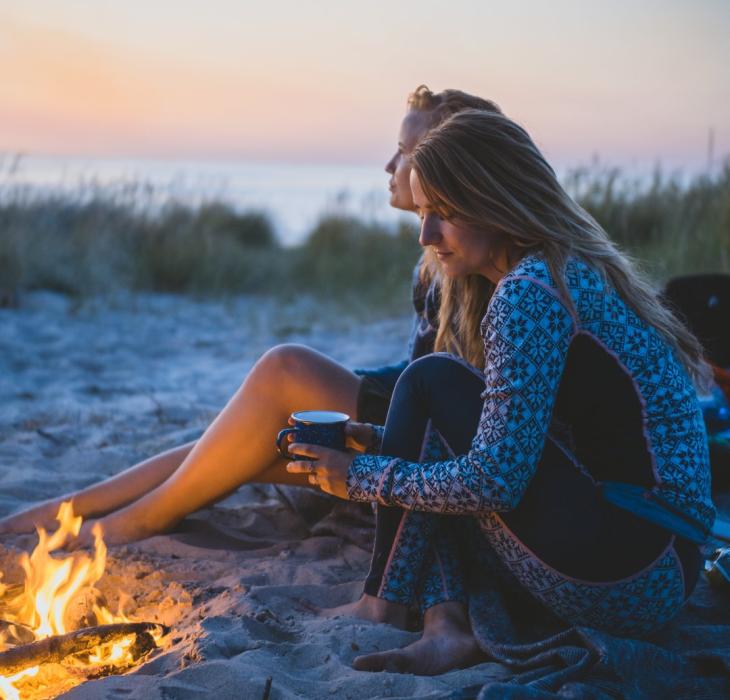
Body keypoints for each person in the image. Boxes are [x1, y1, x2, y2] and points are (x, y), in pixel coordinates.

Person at [0, 87, 501, 628]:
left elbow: (452, 397)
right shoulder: (438, 259)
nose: (390, 164)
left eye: (405, 151)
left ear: (445, 162)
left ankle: (123, 522)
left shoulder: (482, 271)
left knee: (282, 371)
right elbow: (419, 370)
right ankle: (79, 506)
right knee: (240, 438)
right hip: (410, 404)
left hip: (440, 435)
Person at [286, 108, 716, 674]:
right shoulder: (564, 267)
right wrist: (383, 440)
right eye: (423, 212)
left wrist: (360, 478)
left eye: (443, 213)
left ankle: (388, 603)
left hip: (631, 569)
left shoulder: (530, 293)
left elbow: (495, 480)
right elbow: (538, 436)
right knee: (434, 399)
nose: (426, 235)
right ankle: (435, 622)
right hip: (663, 562)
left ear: (496, 200)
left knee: (430, 378)